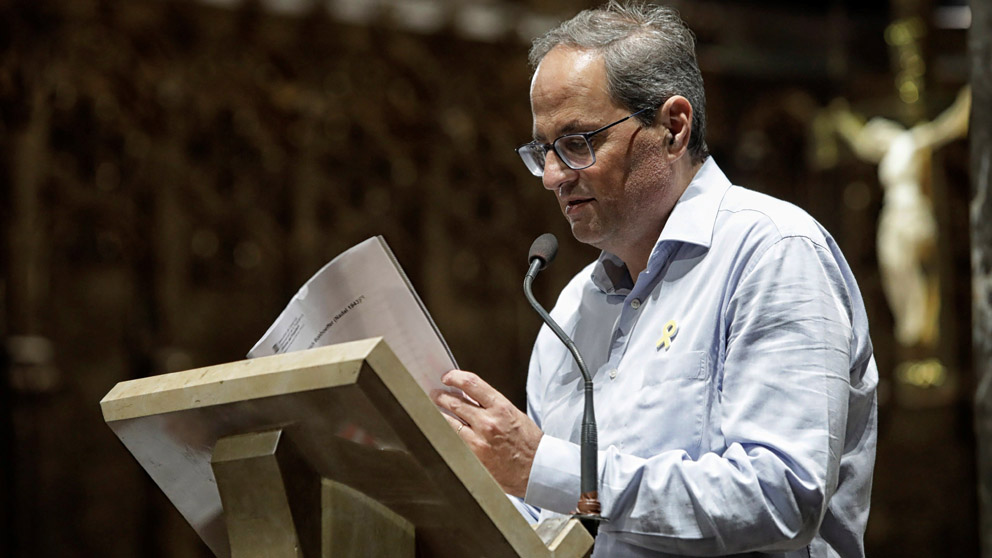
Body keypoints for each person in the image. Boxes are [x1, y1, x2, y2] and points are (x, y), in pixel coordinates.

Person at [431, 2, 878, 557]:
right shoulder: (571, 308)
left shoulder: (772, 251)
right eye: (542, 151)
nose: (551, 177)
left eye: (577, 142)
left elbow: (782, 495)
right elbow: (545, 513)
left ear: (672, 126)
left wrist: (547, 468)